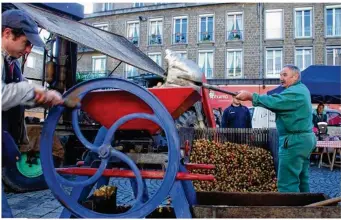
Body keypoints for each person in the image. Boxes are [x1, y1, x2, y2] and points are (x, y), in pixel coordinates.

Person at [2, 9, 64, 218]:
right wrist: (33, 90)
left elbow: (14, 98)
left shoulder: (11, 63)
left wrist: (41, 98)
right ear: (7, 34)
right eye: (26, 42)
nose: (28, 49)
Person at [235, 64, 316, 193]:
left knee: (287, 182)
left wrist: (251, 96)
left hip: (295, 141)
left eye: (284, 75)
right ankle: (306, 207)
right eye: (280, 75)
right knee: (301, 179)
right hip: (304, 139)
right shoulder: (301, 89)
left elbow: (275, 101)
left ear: (295, 77)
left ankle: (289, 211)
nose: (281, 78)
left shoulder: (295, 92)